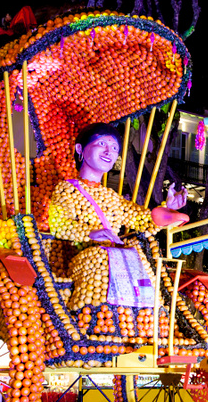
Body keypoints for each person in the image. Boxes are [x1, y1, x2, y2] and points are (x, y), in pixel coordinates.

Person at [48, 123, 188, 312]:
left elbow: (141, 218)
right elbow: (59, 224)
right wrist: (91, 233)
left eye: (114, 148)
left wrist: (168, 209)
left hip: (116, 257)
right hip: (82, 259)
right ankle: (90, 316)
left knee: (142, 264)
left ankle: (149, 318)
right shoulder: (67, 189)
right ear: (80, 149)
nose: (109, 152)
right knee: (101, 261)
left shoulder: (112, 197)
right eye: (102, 144)